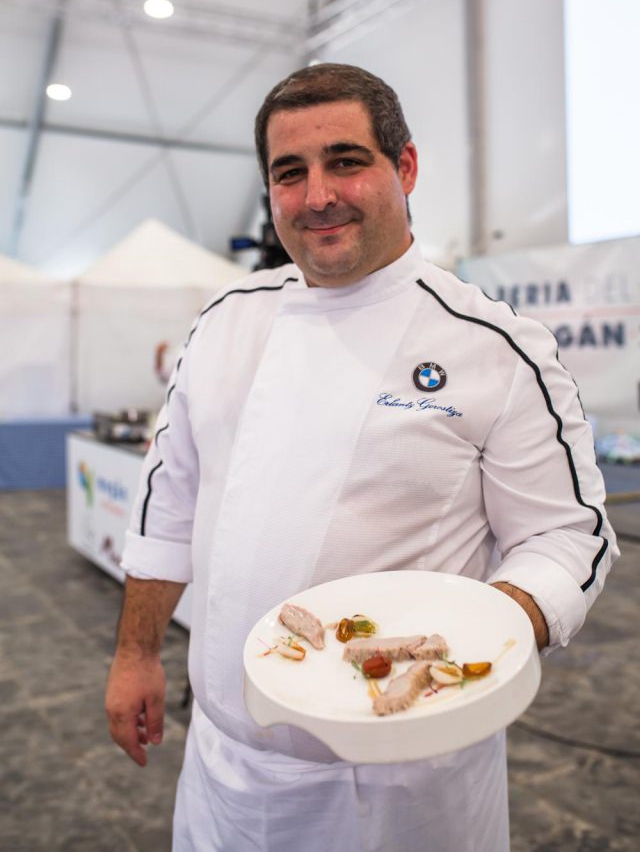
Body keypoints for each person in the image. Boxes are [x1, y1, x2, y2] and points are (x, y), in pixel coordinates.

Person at [105, 63, 618, 852]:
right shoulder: (227, 322)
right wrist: (136, 652)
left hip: (404, 783)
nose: (317, 196)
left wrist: (474, 636)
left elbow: (570, 537)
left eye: (346, 161)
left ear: (404, 167)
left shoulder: (491, 345)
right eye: (290, 173)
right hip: (225, 772)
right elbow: (169, 501)